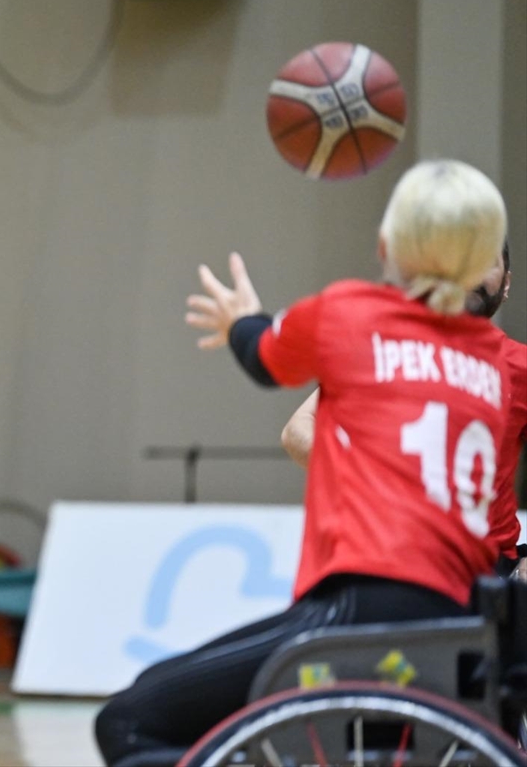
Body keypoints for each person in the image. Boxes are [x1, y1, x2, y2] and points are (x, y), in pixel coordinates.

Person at [95, 158, 509, 766]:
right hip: (462, 622)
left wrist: (240, 320)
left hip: (360, 607)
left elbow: (264, 356)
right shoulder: (493, 368)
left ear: (387, 245)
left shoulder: (354, 315)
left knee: (127, 722)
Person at [282, 238, 527, 581]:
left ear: (506, 285)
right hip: (393, 560)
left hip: (486, 574)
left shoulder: (520, 365)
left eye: (484, 261)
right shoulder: (387, 348)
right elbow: (297, 431)